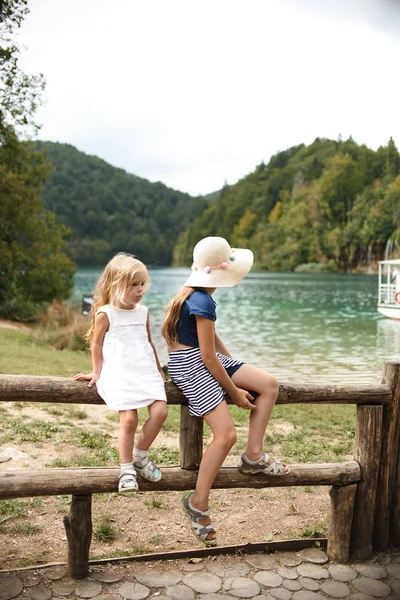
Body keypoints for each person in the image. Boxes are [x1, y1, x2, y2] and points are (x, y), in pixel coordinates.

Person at [161, 236, 289, 546]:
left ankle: (254, 455)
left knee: (268, 384)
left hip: (198, 358)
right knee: (226, 435)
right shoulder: (202, 300)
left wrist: (233, 365)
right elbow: (205, 357)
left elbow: (212, 342)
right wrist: (232, 390)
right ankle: (198, 503)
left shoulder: (190, 293)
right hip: (192, 366)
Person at [74, 253, 168, 492]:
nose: (140, 290)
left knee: (160, 412)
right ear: (116, 285)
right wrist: (97, 372)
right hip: (120, 371)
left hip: (144, 370)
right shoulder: (106, 312)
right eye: (133, 285)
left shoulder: (143, 311)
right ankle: (126, 469)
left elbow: (148, 342)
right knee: (129, 419)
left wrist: (158, 371)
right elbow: (96, 344)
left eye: (142, 284)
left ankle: (140, 455)